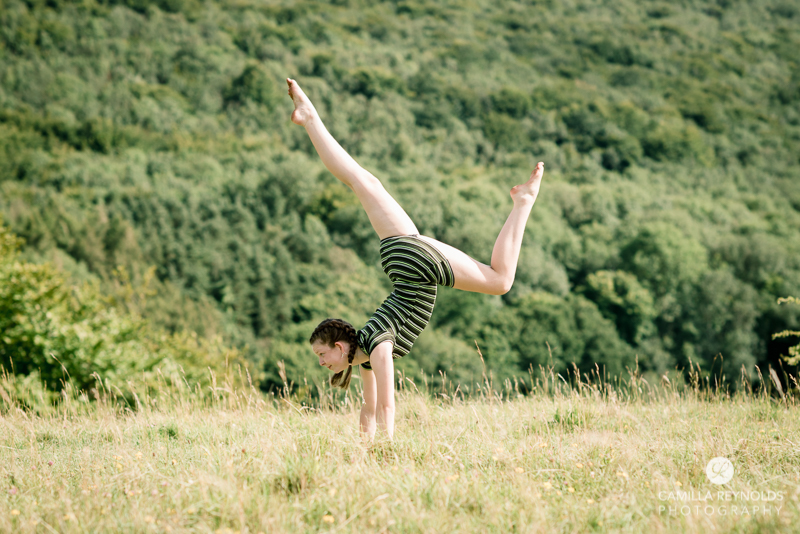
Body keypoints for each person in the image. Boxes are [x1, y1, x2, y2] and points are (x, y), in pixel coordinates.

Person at [287, 78, 544, 439]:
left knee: (501, 281)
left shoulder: (377, 347)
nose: (321, 362)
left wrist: (385, 448)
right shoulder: (364, 354)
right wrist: (364, 449)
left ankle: (524, 203)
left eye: (322, 354)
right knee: (365, 183)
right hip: (400, 257)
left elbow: (387, 406)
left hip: (415, 269)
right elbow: (368, 409)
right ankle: (310, 117)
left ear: (340, 347)